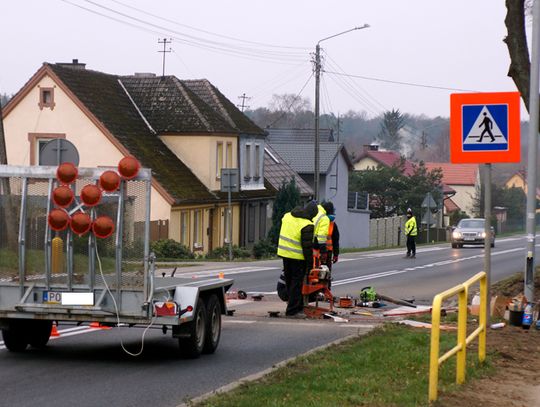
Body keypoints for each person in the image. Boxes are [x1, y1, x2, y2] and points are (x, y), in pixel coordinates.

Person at [277, 201, 317, 318]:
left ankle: (292, 305)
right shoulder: (307, 224)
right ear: (312, 214)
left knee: (289, 282)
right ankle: (293, 311)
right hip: (297, 257)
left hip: (284, 254)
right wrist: (310, 265)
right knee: (297, 284)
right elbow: (307, 248)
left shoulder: (287, 216)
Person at [321, 201, 340, 270]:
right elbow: (336, 240)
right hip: (327, 251)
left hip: (318, 250)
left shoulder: (316, 221)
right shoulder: (332, 224)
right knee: (326, 271)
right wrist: (336, 254)